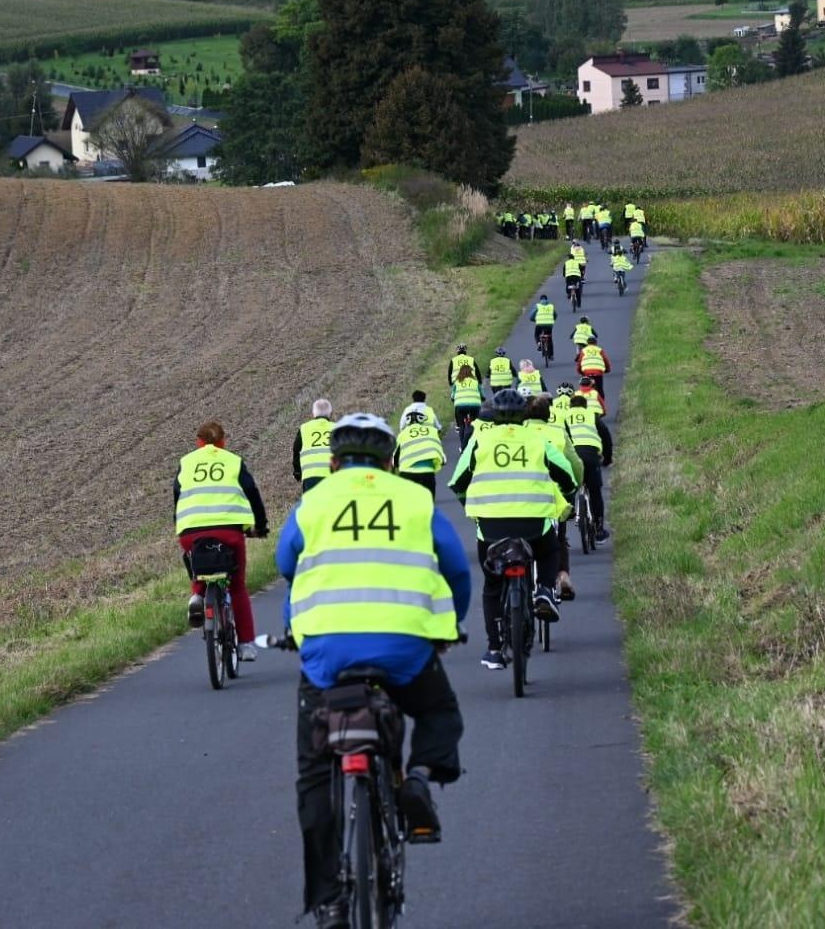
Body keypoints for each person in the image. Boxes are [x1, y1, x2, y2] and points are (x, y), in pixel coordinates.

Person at [276, 413, 471, 929]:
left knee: (315, 774)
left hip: (326, 663)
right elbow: (454, 567)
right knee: (440, 713)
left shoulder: (312, 502)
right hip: (404, 651)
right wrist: (451, 626)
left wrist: (298, 626)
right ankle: (421, 777)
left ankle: (330, 903)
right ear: (391, 461)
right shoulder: (414, 500)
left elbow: (286, 566)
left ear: (333, 462)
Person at [449, 389, 577, 669]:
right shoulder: (538, 439)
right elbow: (567, 475)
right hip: (533, 522)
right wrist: (568, 495)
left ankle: (494, 648)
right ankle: (544, 589)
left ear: (493, 415)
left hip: (491, 526)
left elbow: (458, 482)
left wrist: (471, 506)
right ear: (524, 415)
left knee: (492, 585)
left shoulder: (480, 439)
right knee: (549, 549)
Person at [174, 420, 269, 659]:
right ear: (223, 442)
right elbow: (252, 492)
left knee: (197, 559)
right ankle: (246, 645)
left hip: (191, 532)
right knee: (236, 585)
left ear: (198, 442)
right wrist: (261, 526)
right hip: (229, 532)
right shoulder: (232, 461)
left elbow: (177, 494)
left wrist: (183, 526)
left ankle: (197, 594)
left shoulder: (186, 462)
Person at [525, 393, 581, 601]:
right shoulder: (557, 432)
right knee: (557, 540)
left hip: (526, 495)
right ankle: (562, 575)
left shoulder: (522, 435)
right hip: (554, 497)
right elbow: (574, 464)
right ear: (548, 415)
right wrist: (573, 490)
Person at [565, 394, 613, 543]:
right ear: (585, 406)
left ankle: (570, 513)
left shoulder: (564, 416)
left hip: (572, 455)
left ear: (570, 406)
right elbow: (605, 435)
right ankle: (599, 530)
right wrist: (607, 457)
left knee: (568, 486)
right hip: (590, 454)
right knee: (595, 492)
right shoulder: (591, 415)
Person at [395, 410, 447, 498]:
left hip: (407, 472)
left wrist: (396, 464)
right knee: (430, 503)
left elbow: (395, 457)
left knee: (407, 503)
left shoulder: (402, 434)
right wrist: (442, 461)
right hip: (427, 472)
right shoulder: (432, 431)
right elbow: (438, 449)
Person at [294, 399, 335, 493]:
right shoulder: (337, 428)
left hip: (311, 476)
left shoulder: (304, 428)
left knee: (313, 506)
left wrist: (297, 472)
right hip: (334, 476)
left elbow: (296, 451)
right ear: (330, 413)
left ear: (313, 413)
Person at [451, 365, 482, 438]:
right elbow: (481, 393)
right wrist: (482, 398)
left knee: (461, 425)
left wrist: (453, 399)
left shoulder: (457, 382)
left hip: (461, 406)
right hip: (475, 405)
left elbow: (452, 395)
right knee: (475, 423)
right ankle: (474, 439)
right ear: (471, 372)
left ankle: (462, 446)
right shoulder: (475, 382)